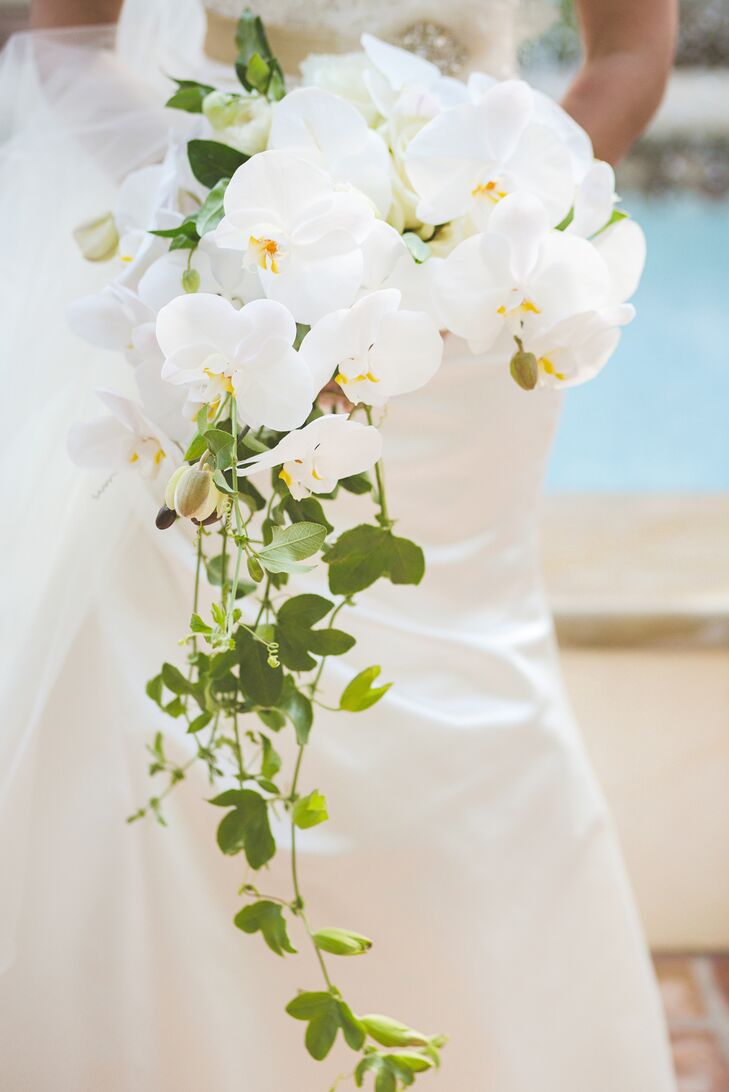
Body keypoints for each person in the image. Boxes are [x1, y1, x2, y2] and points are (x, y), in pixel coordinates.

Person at [0, 2, 678, 1089]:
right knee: (179, 677)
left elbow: (632, 54)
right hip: (220, 289)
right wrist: (213, 216)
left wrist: (497, 232)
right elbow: (67, 42)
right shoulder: (213, 239)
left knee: (466, 689)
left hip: (467, 308)